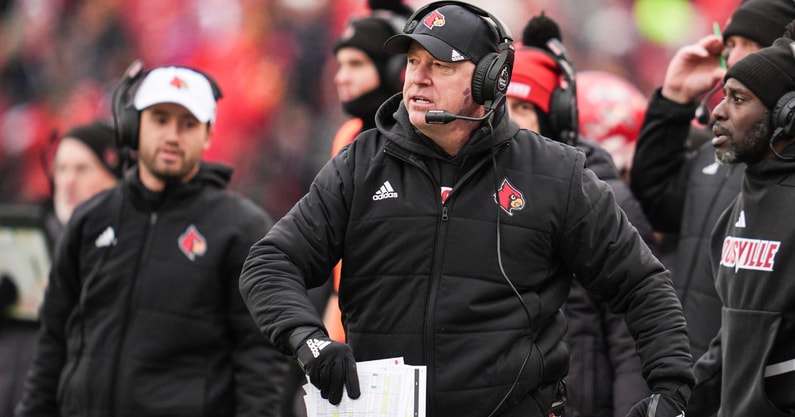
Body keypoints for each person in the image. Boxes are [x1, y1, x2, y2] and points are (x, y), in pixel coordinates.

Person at [239, 3, 694, 417]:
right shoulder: (360, 164)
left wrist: (670, 388)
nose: (418, 77)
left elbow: (641, 282)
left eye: (440, 65)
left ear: (489, 78)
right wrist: (309, 340)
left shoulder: (556, 174)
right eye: (414, 62)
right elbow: (269, 263)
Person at [15, 64, 288, 417]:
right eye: (160, 120)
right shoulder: (90, 219)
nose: (172, 135)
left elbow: (260, 361)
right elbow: (53, 341)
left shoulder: (240, 228)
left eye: (187, 124)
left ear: (207, 135)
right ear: (135, 126)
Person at [629, 0, 795, 360]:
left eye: (743, 47)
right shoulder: (714, 152)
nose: (729, 61)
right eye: (727, 46)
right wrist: (673, 101)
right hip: (693, 375)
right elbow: (655, 204)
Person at [505, 13, 652, 417]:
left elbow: (632, 337)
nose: (510, 120)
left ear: (558, 117)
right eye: (502, 107)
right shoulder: (476, 195)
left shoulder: (605, 198)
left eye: (523, 106)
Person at [685, 32, 795, 417]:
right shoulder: (734, 211)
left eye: (738, 99)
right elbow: (730, 342)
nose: (717, 111)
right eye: (722, 96)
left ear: (786, 114)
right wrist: (678, 402)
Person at [0, 120, 121, 416]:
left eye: (82, 169)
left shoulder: (131, 249)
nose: (67, 181)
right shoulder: (22, 238)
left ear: (117, 178)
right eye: (61, 169)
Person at [325, 0, 414, 344]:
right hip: (346, 316)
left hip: (397, 326)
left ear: (397, 70)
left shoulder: (416, 140)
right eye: (340, 64)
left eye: (356, 64)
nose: (341, 76)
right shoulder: (347, 136)